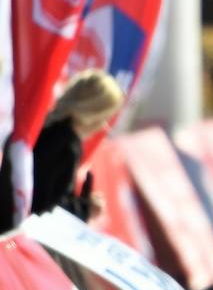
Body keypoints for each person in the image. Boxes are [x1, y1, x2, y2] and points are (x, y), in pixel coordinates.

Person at [0, 69, 124, 232]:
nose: (104, 125)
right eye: (106, 117)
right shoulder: (66, 146)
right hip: (12, 237)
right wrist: (86, 209)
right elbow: (49, 210)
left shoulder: (41, 123)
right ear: (94, 114)